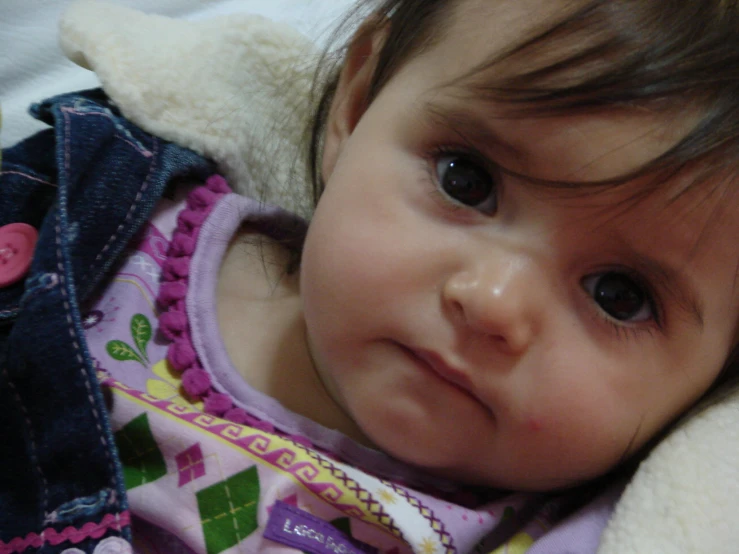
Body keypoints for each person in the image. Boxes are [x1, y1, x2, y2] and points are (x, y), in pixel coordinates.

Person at [1, 0, 737, 552]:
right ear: (353, 109)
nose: (490, 303)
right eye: (465, 180)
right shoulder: (101, 226)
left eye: (619, 295)